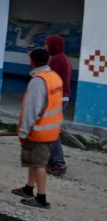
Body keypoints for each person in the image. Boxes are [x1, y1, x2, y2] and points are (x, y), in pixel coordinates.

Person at [11, 47, 63, 209]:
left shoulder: (38, 81)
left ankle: (41, 198)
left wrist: (24, 132)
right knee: (35, 161)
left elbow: (31, 110)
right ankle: (28, 189)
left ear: (32, 61)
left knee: (39, 164)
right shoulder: (54, 77)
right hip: (51, 129)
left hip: (38, 131)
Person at [45, 34, 72, 176]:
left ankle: (59, 163)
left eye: (47, 43)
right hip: (63, 98)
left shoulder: (56, 60)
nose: (45, 46)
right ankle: (53, 159)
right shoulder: (64, 58)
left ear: (53, 45)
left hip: (57, 98)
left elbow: (51, 82)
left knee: (51, 132)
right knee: (52, 131)